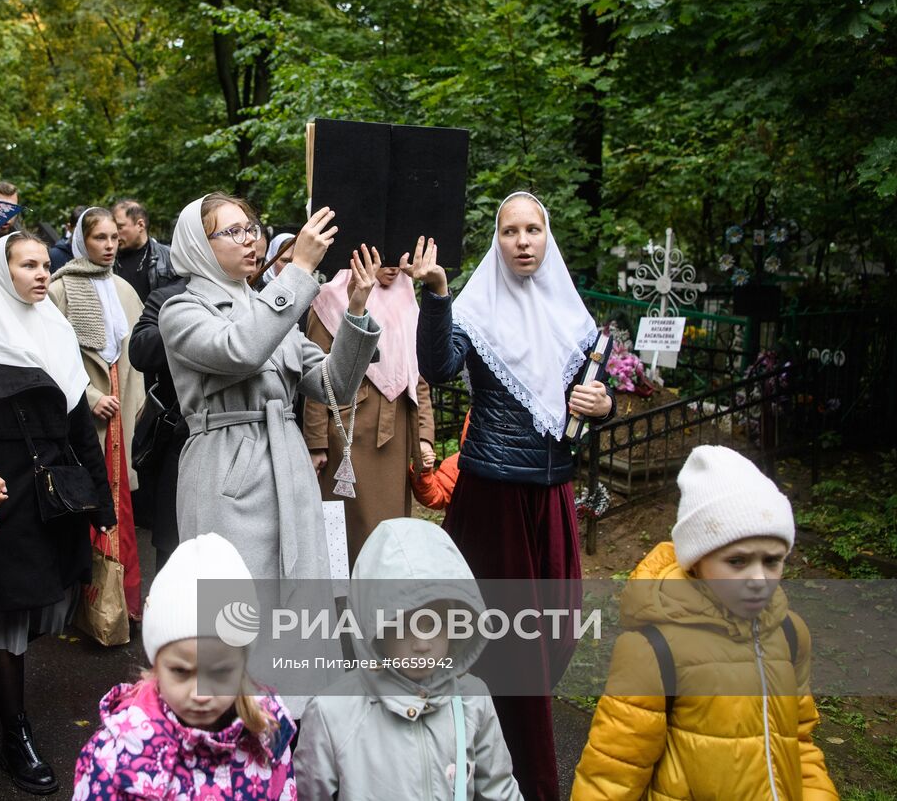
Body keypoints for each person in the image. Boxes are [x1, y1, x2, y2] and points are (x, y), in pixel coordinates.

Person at [410, 191, 614, 800]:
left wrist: (601, 406)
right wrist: (438, 295)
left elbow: (587, 403)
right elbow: (440, 367)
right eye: (509, 231)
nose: (522, 241)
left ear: (547, 238)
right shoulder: (476, 307)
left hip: (550, 498)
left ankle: (496, 750)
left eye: (532, 230)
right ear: (496, 241)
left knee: (557, 629)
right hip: (492, 501)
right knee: (500, 647)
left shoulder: (573, 319)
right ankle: (514, 775)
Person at [0, 231, 115, 795]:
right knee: (7, 623)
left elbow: (79, 426)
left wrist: (100, 506)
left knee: (35, 614)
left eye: (44, 264)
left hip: (52, 504)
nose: (42, 273)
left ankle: (6, 700)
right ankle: (16, 734)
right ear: (0, 272)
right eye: (27, 265)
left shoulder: (55, 331)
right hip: (2, 503)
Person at [572, 446, 837, 801]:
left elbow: (799, 740)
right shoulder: (653, 650)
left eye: (772, 561)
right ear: (696, 561)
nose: (759, 578)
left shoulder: (790, 634)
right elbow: (613, 769)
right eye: (737, 561)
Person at [158, 195, 381, 585]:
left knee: (299, 605)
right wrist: (300, 270)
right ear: (198, 245)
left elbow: (336, 386)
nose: (250, 241)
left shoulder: (268, 307)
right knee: (234, 608)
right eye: (232, 231)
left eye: (251, 229)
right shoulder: (181, 310)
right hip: (226, 469)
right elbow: (240, 350)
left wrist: (357, 309)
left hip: (290, 467)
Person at [295, 519, 523, 801]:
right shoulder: (332, 713)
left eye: (433, 624)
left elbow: (500, 790)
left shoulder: (473, 700)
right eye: (403, 625)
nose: (422, 644)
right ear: (374, 629)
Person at [72, 533, 297, 800]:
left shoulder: (269, 735)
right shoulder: (114, 757)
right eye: (181, 671)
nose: (200, 694)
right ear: (156, 663)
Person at [47, 207, 144, 621]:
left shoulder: (124, 288)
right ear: (81, 241)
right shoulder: (61, 289)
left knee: (121, 508)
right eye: (98, 238)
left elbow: (136, 352)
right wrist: (88, 396)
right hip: (84, 414)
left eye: (113, 238)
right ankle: (87, 607)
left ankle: (124, 604)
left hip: (123, 408)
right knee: (86, 502)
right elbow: (50, 358)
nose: (108, 246)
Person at [303, 262, 436, 564]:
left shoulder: (407, 301)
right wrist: (316, 443)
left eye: (398, 257)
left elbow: (419, 373)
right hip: (347, 432)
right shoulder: (330, 299)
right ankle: (341, 602)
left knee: (391, 531)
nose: (392, 266)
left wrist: (425, 435)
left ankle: (385, 602)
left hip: (397, 430)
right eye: (383, 256)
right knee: (344, 527)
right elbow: (316, 372)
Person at [126, 278, 186, 571]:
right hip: (182, 443)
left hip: (242, 451)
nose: (248, 245)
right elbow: (141, 351)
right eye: (234, 232)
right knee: (176, 554)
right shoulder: (171, 297)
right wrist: (190, 319)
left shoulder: (257, 300)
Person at [111, 199, 177, 302]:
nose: (115, 233)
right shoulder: (108, 259)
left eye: (120, 227)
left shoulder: (169, 257)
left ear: (140, 225)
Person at [48, 205, 86, 274]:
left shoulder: (95, 254)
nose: (82, 235)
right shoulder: (55, 255)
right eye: (78, 231)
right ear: (69, 228)